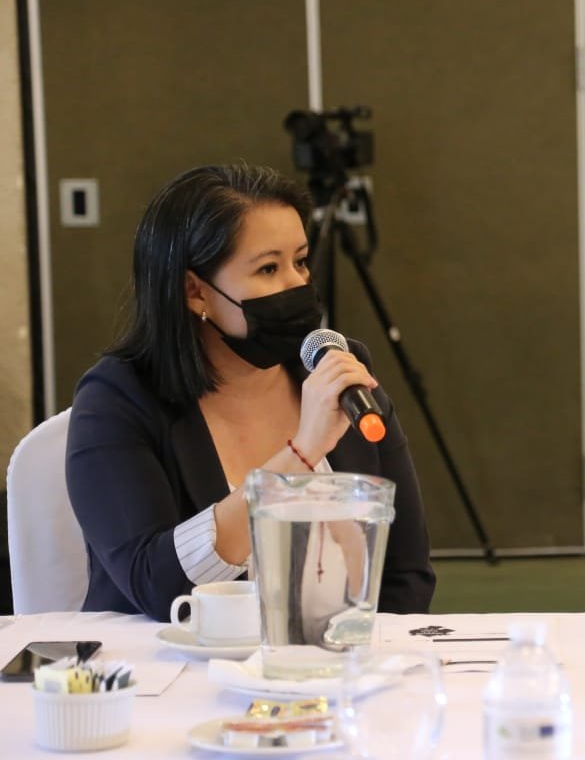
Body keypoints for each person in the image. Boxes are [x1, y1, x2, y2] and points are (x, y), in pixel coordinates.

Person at [66, 163, 435, 620]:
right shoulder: (117, 398)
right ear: (194, 291)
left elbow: (405, 572)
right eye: (268, 268)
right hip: (174, 658)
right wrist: (302, 453)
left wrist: (363, 653)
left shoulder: (335, 370)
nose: (297, 283)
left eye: (301, 261)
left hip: (334, 655)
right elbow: (157, 587)